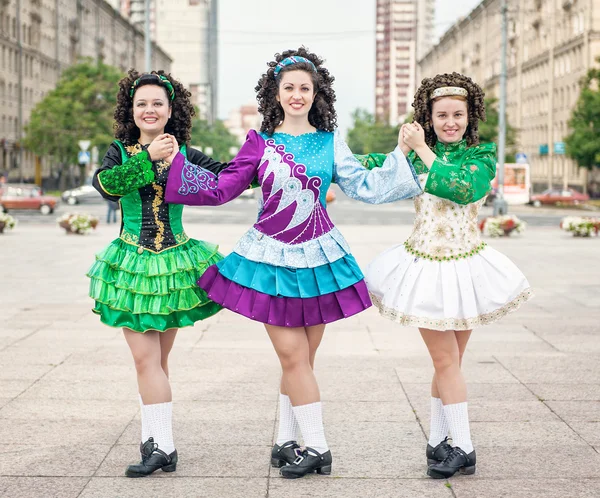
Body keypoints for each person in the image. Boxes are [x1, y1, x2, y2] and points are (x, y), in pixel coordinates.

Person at [162, 47, 422, 479]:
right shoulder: (258, 143)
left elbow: (364, 184)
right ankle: (317, 447)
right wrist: (176, 165)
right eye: (289, 88)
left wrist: (402, 155)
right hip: (270, 258)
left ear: (316, 93)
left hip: (321, 258)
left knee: (300, 361)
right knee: (293, 355)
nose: (297, 95)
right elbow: (224, 187)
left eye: (305, 88)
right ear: (275, 93)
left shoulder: (330, 141)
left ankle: (287, 439)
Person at [362, 73, 533, 479]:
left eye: (458, 114)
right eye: (442, 115)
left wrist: (421, 148)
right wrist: (400, 149)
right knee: (446, 361)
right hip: (426, 267)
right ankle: (443, 440)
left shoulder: (481, 155)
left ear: (470, 116)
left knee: (448, 362)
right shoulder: (417, 153)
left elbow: (464, 189)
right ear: (429, 117)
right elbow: (374, 176)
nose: (450, 122)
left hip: (464, 267)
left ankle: (463, 447)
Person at [88, 70, 229, 477]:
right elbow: (107, 185)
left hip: (175, 265)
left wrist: (275, 160)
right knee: (146, 361)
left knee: (156, 362)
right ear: (131, 111)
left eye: (157, 104)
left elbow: (227, 176)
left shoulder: (185, 152)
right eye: (141, 104)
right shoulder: (119, 149)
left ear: (171, 111)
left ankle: (160, 444)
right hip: (132, 264)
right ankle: (158, 442)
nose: (149, 110)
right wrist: (147, 158)